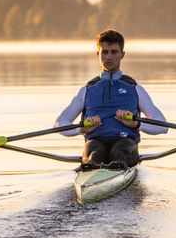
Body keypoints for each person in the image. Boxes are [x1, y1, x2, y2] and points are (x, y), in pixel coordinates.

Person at [54, 28, 168, 169]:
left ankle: (110, 169)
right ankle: (93, 169)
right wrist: (82, 129)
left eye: (114, 52)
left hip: (125, 142)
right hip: (95, 142)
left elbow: (163, 126)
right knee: (94, 153)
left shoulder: (135, 89)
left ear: (122, 55)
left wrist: (136, 125)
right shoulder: (86, 90)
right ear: (98, 54)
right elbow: (59, 123)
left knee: (119, 152)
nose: (109, 57)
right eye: (105, 52)